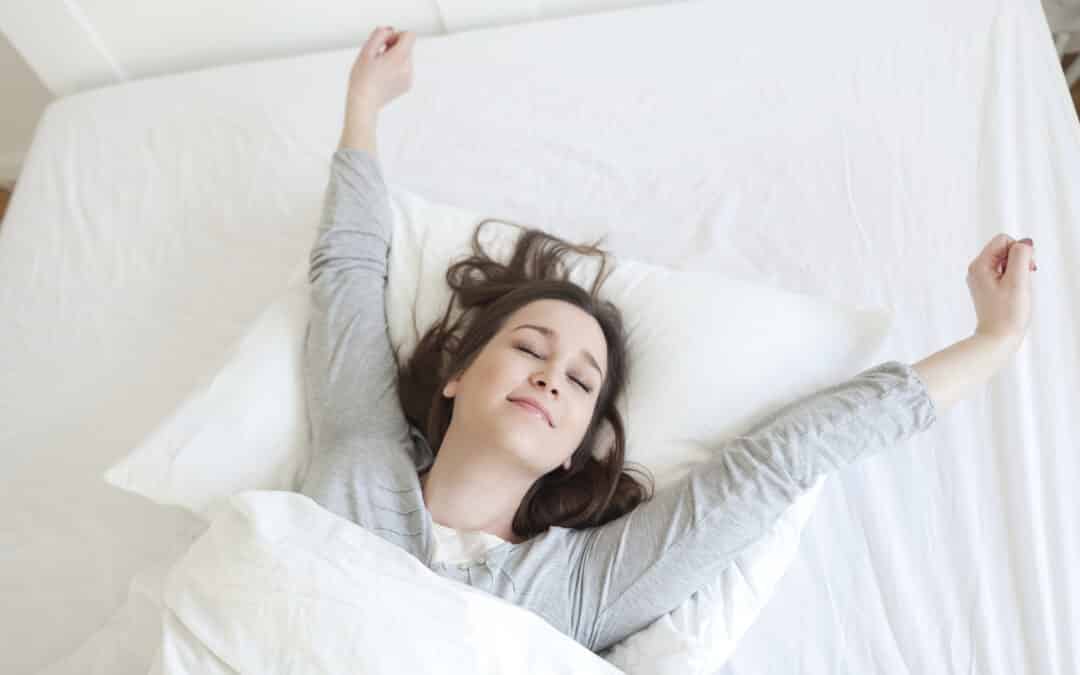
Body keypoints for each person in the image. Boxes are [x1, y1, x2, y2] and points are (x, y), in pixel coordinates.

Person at [298, 26, 1038, 654]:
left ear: (573, 449)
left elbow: (782, 460)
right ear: (457, 374)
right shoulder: (361, 452)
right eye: (529, 347)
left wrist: (993, 341)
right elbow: (349, 272)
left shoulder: (582, 584)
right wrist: (364, 108)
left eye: (582, 382)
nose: (553, 376)